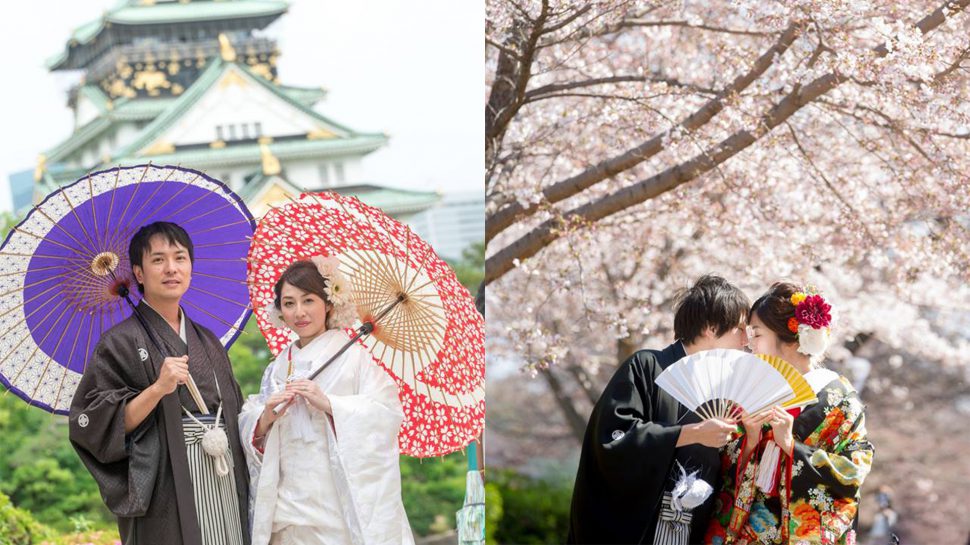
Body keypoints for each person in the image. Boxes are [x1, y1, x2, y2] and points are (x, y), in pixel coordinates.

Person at [69, 221, 250, 545]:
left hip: (222, 469)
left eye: (180, 258)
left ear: (191, 267)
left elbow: (235, 409)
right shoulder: (118, 343)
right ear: (138, 272)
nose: (171, 268)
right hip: (168, 481)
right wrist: (157, 389)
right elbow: (94, 424)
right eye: (158, 260)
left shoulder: (207, 340)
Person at [239, 257, 414, 545]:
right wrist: (265, 417)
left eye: (308, 300)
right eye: (289, 303)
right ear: (280, 310)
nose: (299, 312)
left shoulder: (354, 359)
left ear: (329, 303)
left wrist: (332, 405)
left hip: (335, 504)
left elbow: (386, 414)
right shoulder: (278, 366)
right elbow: (252, 424)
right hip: (286, 504)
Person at [567, 274, 750, 545]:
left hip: (691, 526)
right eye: (740, 328)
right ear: (712, 327)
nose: (746, 340)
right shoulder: (646, 366)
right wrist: (691, 433)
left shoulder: (723, 388)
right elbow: (614, 437)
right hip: (637, 526)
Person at [705, 282, 874, 545]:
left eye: (757, 334)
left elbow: (853, 471)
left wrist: (791, 446)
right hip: (747, 534)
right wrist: (749, 440)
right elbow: (720, 466)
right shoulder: (749, 389)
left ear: (790, 338)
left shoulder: (840, 400)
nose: (751, 346)